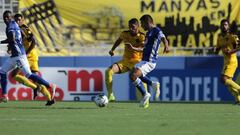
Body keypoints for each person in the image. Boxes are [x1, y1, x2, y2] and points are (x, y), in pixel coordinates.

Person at [0, 10, 56, 106]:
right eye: (4, 17)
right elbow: (15, 39)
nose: (6, 19)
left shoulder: (12, 26)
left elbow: (13, 39)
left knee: (29, 75)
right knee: (2, 71)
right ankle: (4, 95)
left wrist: (3, 42)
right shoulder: (15, 25)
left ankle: (49, 86)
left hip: (20, 55)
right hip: (15, 55)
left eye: (8, 17)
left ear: (11, 18)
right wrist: (10, 46)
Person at [105, 18, 160, 102]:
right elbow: (118, 40)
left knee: (139, 78)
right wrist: (112, 50)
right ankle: (110, 95)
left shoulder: (142, 36)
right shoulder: (124, 34)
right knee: (108, 71)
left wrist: (133, 47)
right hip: (125, 61)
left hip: (137, 61)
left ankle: (145, 100)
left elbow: (143, 47)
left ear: (138, 26)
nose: (131, 29)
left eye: (133, 27)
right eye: (129, 27)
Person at [130, 14, 169, 108]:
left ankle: (145, 94)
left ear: (147, 22)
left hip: (150, 61)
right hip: (144, 60)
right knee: (133, 74)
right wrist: (134, 48)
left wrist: (166, 46)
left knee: (134, 75)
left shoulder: (157, 30)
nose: (142, 26)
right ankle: (153, 84)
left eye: (142, 24)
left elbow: (164, 38)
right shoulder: (148, 34)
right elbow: (145, 48)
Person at [214, 19, 240, 104]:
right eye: (222, 25)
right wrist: (215, 50)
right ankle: (238, 99)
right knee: (227, 82)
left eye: (225, 25)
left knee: (223, 79)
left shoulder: (233, 36)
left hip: (232, 61)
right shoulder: (219, 38)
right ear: (220, 26)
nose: (224, 26)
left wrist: (231, 52)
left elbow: (239, 46)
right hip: (226, 62)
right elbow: (217, 49)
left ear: (228, 26)